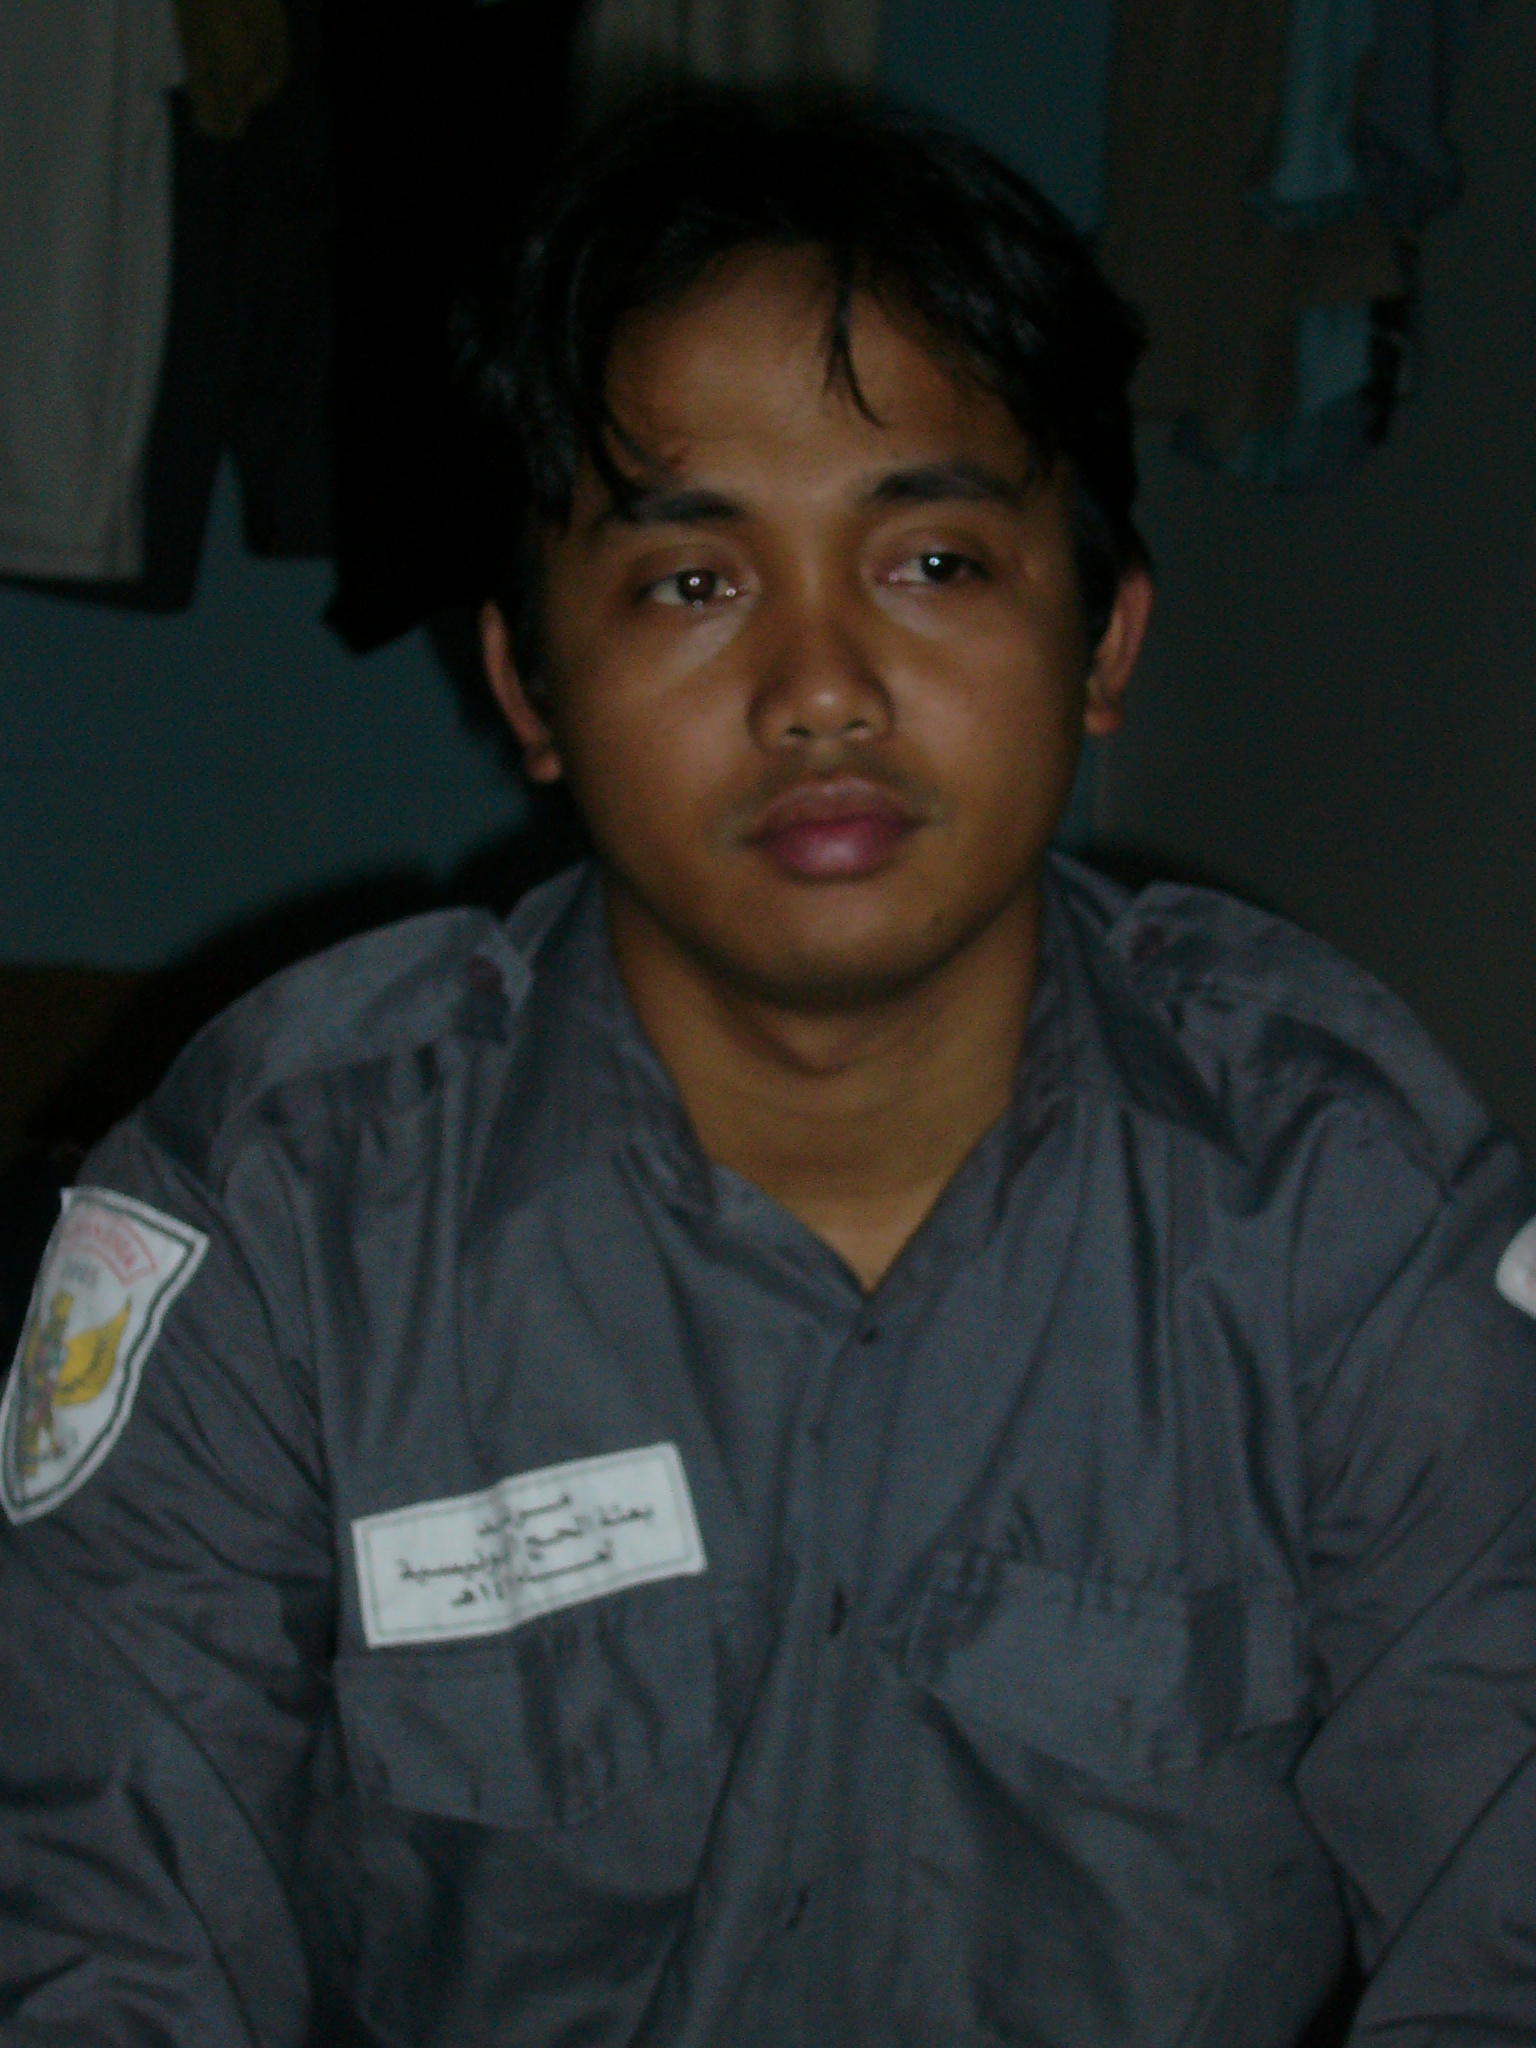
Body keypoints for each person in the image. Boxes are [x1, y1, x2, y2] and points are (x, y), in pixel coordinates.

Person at [2, 88, 1534, 2048]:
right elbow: (94, 1933)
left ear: (1102, 641)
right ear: (528, 685)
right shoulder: (290, 1217)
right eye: (694, 582)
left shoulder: (1342, 1204)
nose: (820, 689)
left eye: (933, 563)